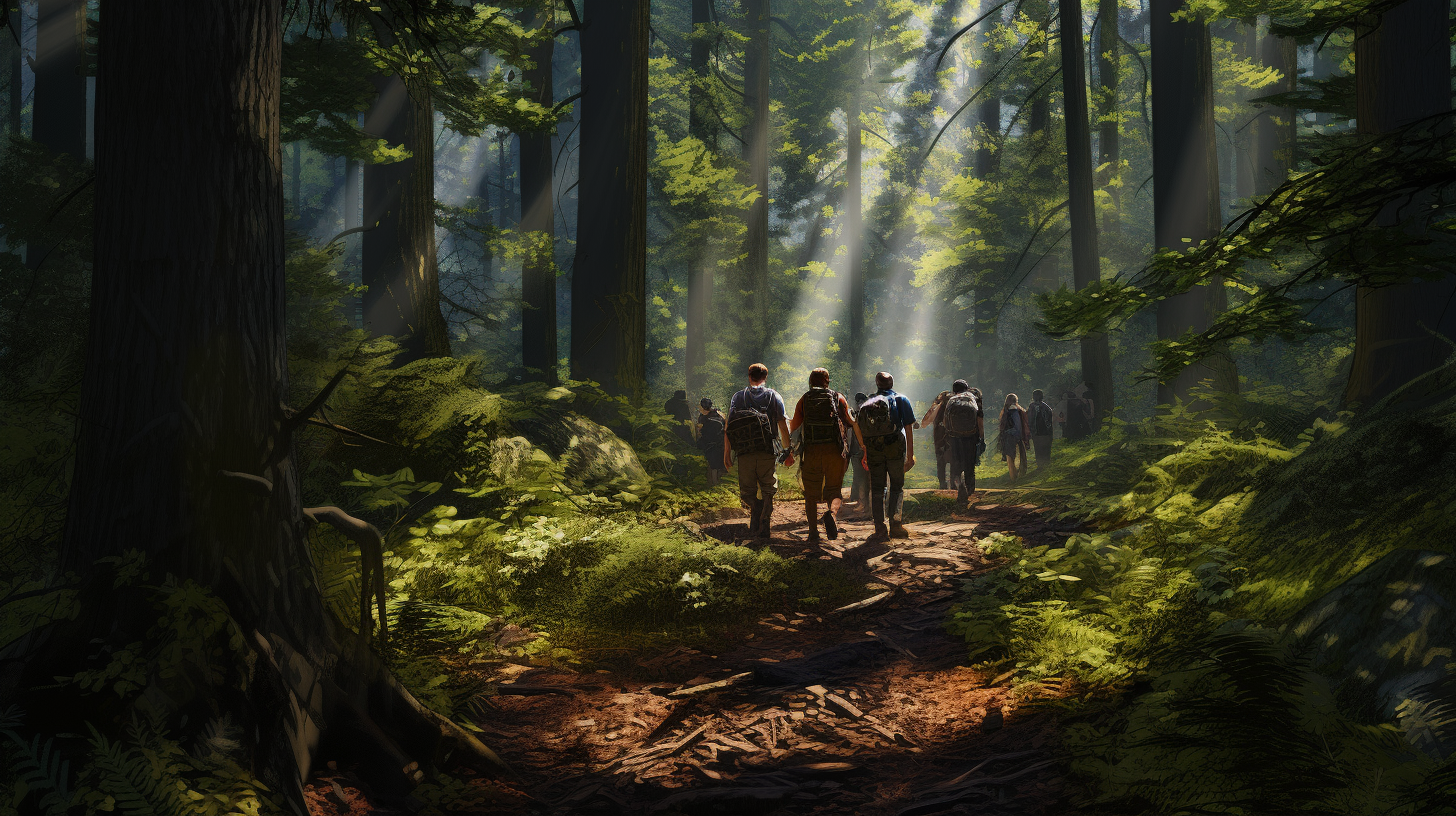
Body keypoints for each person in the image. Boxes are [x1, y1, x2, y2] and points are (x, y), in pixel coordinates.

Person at [789, 368, 863, 544]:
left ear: (810, 381)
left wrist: (791, 450)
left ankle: (813, 532)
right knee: (834, 490)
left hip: (812, 451)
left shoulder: (804, 400)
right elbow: (851, 423)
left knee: (811, 494)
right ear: (827, 381)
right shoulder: (838, 398)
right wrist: (863, 446)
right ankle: (831, 513)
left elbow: (794, 428)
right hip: (835, 452)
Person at [724, 363, 794, 540]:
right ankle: (765, 521)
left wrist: (727, 453)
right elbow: (782, 426)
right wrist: (788, 450)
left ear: (749, 376)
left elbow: (729, 427)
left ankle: (755, 508)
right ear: (765, 377)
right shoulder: (773, 396)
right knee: (768, 488)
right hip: (767, 451)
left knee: (747, 492)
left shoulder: (738, 397)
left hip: (745, 451)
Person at [857, 372, 916, 539]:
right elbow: (909, 428)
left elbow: (862, 429)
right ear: (892, 383)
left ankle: (879, 529)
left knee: (877, 488)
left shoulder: (868, 402)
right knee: (896, 486)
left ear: (877, 383)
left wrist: (865, 452)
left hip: (874, 448)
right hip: (895, 447)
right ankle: (896, 526)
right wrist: (910, 455)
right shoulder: (901, 399)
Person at [941, 380, 983, 502]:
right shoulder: (973, 398)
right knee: (969, 464)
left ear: (954, 390)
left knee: (956, 464)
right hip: (971, 436)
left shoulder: (951, 400)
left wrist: (948, 434)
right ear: (967, 388)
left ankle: (959, 487)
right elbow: (979, 419)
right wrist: (981, 437)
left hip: (955, 437)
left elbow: (945, 421)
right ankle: (970, 491)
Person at [915, 391, 953, 490]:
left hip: (942, 439)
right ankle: (951, 486)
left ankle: (944, 485)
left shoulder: (939, 407)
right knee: (951, 462)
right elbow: (924, 423)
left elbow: (924, 423)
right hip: (949, 439)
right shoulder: (948, 407)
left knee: (941, 463)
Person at [997, 393, 1030, 484]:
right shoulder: (1018, 410)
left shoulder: (1009, 410)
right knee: (1018, 457)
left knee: (1010, 458)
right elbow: (1018, 425)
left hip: (1009, 437)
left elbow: (1011, 425)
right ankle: (1017, 477)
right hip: (1016, 436)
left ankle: (1013, 477)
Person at [694, 397, 726, 487]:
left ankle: (714, 483)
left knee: (714, 465)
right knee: (714, 464)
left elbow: (708, 432)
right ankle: (714, 482)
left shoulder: (712, 417)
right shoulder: (715, 415)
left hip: (714, 442)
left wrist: (701, 430)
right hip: (716, 442)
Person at [847, 392, 870, 512]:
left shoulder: (854, 411)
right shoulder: (869, 410)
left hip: (856, 448)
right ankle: (865, 502)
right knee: (866, 476)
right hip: (866, 447)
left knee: (859, 475)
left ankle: (859, 501)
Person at [1028, 389, 1055, 469]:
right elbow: (1049, 420)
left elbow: (1030, 420)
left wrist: (1031, 431)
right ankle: (1046, 464)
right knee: (1046, 448)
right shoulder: (1046, 407)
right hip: (1046, 432)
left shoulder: (1032, 407)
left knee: (1038, 449)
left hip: (1036, 432)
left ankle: (1040, 465)